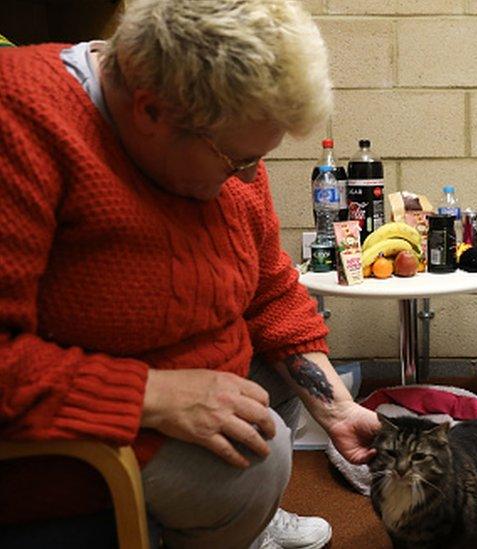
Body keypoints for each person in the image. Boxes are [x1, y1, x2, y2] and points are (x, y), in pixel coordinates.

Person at [0, 1, 379, 547]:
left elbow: (270, 291)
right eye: (236, 160)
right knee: (258, 461)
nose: (248, 177)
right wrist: (152, 396)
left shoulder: (221, 142)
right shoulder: (22, 117)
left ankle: (232, 521)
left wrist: (337, 410)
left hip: (177, 371)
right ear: (151, 111)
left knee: (277, 397)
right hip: (61, 423)